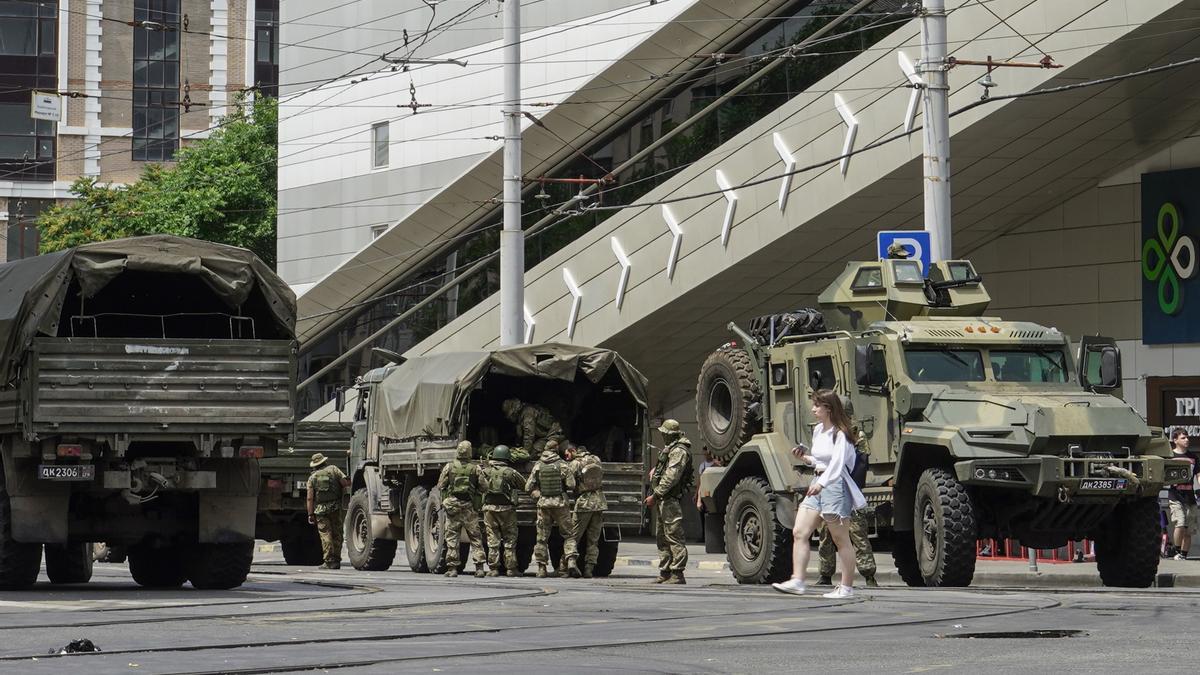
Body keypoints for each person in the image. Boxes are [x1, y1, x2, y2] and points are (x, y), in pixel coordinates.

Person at [772, 390, 867, 599]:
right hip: (818, 481)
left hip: (835, 485)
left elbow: (838, 464)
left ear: (829, 408)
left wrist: (822, 484)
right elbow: (822, 460)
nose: (813, 409)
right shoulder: (818, 431)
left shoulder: (841, 433)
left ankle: (846, 588)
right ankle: (798, 580)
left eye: (817, 405)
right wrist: (806, 458)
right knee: (799, 531)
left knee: (840, 538)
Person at [645, 419, 693, 585]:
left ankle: (677, 573)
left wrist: (655, 495)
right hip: (663, 500)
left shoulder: (679, 451)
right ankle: (665, 571)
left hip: (669, 500)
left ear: (669, 434)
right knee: (662, 537)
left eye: (663, 433)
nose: (662, 436)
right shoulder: (670, 449)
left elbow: (671, 477)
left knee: (673, 536)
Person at [525, 440, 581, 578]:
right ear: (556, 450)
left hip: (544, 504)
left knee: (542, 538)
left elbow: (528, 487)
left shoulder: (538, 466)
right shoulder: (563, 465)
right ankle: (571, 561)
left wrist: (539, 494)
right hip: (560, 504)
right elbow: (571, 485)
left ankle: (542, 568)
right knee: (569, 535)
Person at [435, 440, 487, 578]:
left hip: (453, 507)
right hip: (469, 508)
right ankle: (480, 568)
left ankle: (452, 569)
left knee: (452, 537)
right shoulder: (475, 468)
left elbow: (440, 485)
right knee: (475, 538)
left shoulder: (449, 467)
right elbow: (484, 487)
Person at [479, 444, 526, 576]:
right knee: (509, 539)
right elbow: (525, 486)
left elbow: (478, 486)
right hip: (507, 510)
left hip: (489, 509)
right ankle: (511, 569)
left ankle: (493, 569)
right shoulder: (511, 472)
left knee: (492, 539)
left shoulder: (486, 471)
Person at [568, 444, 607, 578]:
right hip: (599, 502)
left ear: (574, 451)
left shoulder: (575, 463)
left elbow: (570, 483)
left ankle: (571, 562)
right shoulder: (596, 459)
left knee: (573, 535)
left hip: (583, 502)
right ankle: (589, 569)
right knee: (593, 540)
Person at [306, 452, 351, 569]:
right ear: (325, 461)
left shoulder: (312, 477)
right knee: (337, 533)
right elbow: (345, 483)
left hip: (320, 510)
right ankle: (336, 560)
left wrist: (310, 513)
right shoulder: (334, 469)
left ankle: (329, 560)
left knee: (326, 534)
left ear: (314, 465)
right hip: (336, 507)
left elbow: (310, 498)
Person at [1167, 428, 1197, 560]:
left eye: (1187, 438)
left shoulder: (1193, 457)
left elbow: (1198, 475)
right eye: (1183, 438)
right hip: (1175, 495)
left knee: (1189, 529)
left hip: (1190, 496)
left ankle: (1183, 554)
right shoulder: (1169, 456)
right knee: (1180, 522)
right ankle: (1176, 550)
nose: (1187, 440)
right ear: (1175, 440)